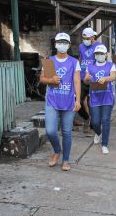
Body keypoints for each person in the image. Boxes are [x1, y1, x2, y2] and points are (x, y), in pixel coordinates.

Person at [40, 33, 81, 171]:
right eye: (60, 42)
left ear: (69, 45)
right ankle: (57, 150)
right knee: (50, 131)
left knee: (67, 132)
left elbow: (76, 81)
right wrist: (51, 81)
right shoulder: (49, 61)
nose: (62, 44)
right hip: (52, 100)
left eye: (65, 42)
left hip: (68, 102)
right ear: (55, 44)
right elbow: (42, 79)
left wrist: (78, 100)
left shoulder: (74, 62)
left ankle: (65, 159)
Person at [84, 45, 116, 154]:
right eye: (97, 54)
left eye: (102, 54)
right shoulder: (90, 66)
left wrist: (105, 79)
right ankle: (98, 133)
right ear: (95, 55)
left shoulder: (111, 65)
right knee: (95, 121)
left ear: (106, 54)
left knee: (106, 120)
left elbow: (113, 77)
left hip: (107, 97)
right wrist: (87, 78)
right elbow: (85, 79)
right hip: (94, 97)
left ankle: (105, 144)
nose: (99, 56)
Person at [78, 27, 103, 136]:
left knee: (93, 104)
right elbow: (81, 58)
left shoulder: (99, 46)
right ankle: (87, 118)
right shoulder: (80, 46)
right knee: (77, 101)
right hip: (82, 78)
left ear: (93, 37)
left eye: (87, 38)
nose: (85, 40)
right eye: (83, 38)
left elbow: (102, 61)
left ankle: (94, 125)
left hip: (94, 80)